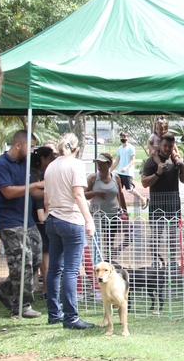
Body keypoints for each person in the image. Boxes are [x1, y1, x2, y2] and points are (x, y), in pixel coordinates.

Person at [0, 130, 45, 318]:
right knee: (21, 263)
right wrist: (34, 186)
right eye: (30, 147)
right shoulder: (0, 165)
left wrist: (52, 192)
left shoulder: (26, 165)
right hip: (9, 221)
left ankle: (4, 290)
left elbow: (32, 193)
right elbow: (8, 192)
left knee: (36, 258)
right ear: (18, 145)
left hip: (27, 220)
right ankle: (22, 306)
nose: (32, 151)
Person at [44, 133, 97, 329]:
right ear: (76, 149)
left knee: (54, 269)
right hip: (71, 220)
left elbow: (47, 198)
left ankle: (54, 313)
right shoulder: (75, 165)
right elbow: (78, 194)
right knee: (71, 270)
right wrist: (88, 220)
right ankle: (71, 317)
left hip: (53, 219)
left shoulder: (51, 166)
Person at [142, 133, 184, 259]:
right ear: (160, 145)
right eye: (165, 146)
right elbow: (144, 182)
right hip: (157, 204)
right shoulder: (151, 162)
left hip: (173, 203)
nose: (167, 149)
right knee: (156, 233)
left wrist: (183, 167)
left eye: (170, 146)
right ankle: (155, 261)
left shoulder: (175, 161)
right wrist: (157, 173)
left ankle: (173, 260)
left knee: (173, 234)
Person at [86, 153, 127, 262]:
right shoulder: (93, 178)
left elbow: (120, 195)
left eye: (102, 163)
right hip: (97, 215)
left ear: (109, 164)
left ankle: (109, 262)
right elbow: (83, 195)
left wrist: (124, 211)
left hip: (112, 214)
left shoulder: (116, 178)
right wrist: (96, 193)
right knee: (96, 241)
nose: (100, 166)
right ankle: (97, 263)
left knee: (109, 241)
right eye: (98, 163)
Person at [31, 146, 57, 300]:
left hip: (41, 224)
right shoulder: (40, 191)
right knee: (44, 262)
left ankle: (46, 290)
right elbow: (41, 215)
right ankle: (47, 291)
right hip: (41, 224)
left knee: (44, 261)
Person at [114, 131, 148, 209]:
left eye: (124, 137)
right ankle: (119, 206)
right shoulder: (119, 149)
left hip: (127, 173)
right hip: (119, 172)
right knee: (117, 189)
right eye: (122, 137)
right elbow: (117, 161)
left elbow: (133, 160)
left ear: (127, 137)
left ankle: (143, 199)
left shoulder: (131, 148)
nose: (123, 138)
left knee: (129, 189)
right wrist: (109, 170)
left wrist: (126, 167)